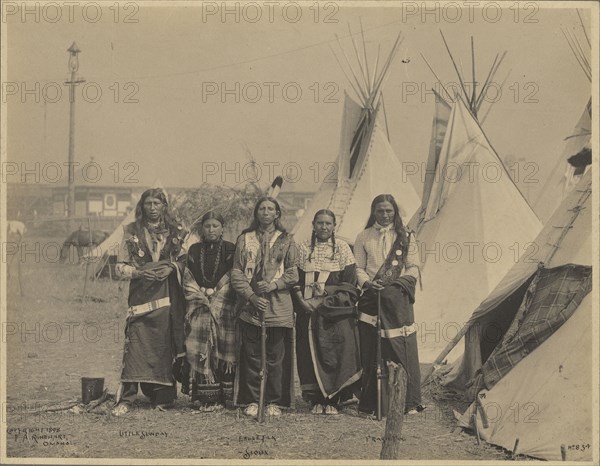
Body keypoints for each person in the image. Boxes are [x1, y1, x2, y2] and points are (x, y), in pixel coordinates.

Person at [112, 188, 187, 415]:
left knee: (163, 345)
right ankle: (127, 398)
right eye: (148, 203)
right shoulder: (130, 230)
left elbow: (185, 262)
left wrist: (170, 269)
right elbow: (119, 267)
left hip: (167, 297)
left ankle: (161, 397)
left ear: (164, 206)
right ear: (142, 206)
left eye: (157, 203)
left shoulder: (177, 232)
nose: (153, 208)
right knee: (135, 343)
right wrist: (140, 273)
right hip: (141, 296)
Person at [354, 194, 425, 416]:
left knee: (400, 345)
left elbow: (413, 267)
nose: (385, 215)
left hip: (397, 298)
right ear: (373, 212)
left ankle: (408, 402)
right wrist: (367, 282)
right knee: (371, 347)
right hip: (371, 297)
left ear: (395, 212)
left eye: (389, 211)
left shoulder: (406, 237)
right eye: (380, 211)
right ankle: (372, 402)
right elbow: (358, 267)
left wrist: (398, 285)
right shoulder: (363, 236)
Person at [230, 196, 298, 417]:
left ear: (277, 214)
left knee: (275, 356)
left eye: (271, 209)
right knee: (251, 354)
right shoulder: (245, 238)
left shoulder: (287, 239)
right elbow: (237, 272)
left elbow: (293, 273)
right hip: (251, 306)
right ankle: (251, 399)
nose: (266, 212)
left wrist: (273, 286)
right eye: (262, 209)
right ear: (256, 213)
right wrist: (250, 296)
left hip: (278, 305)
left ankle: (274, 401)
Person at [293, 209, 361, 415]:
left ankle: (335, 398)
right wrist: (303, 303)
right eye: (320, 223)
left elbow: (349, 283)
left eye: (328, 223)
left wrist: (326, 299)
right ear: (313, 224)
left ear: (334, 226)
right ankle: (315, 399)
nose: (324, 227)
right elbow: (294, 280)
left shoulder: (342, 248)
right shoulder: (303, 247)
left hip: (334, 312)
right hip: (307, 311)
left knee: (333, 353)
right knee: (308, 352)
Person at [180, 212, 237, 411]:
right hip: (199, 305)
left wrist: (217, 297)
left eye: (215, 226)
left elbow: (234, 276)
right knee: (199, 348)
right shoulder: (194, 250)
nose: (211, 230)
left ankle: (223, 397)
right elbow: (187, 278)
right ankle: (202, 397)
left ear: (222, 228)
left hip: (224, 308)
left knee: (221, 348)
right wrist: (201, 295)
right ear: (201, 229)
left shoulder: (231, 249)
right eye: (207, 226)